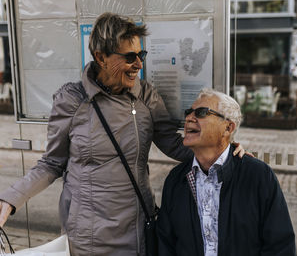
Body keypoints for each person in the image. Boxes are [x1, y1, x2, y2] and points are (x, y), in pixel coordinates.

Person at [0, 13, 245, 255]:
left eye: (141, 55)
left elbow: (174, 144)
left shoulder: (146, 96)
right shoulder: (72, 100)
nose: (139, 64)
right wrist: (10, 200)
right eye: (130, 57)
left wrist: (226, 151)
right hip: (88, 233)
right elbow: (52, 163)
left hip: (136, 226)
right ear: (101, 57)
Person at [157, 88, 296, 256]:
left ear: (228, 128)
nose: (188, 118)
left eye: (201, 112)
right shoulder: (176, 179)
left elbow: (280, 246)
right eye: (188, 112)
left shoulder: (258, 176)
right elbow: (165, 244)